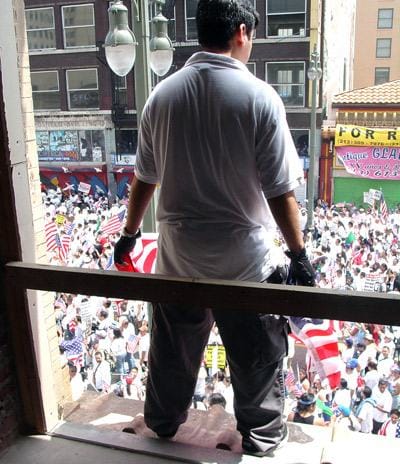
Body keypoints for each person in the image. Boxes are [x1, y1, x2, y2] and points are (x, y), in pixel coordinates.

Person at [113, 0, 314, 456]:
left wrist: (129, 234)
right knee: (257, 367)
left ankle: (161, 428)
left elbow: (144, 178)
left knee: (171, 362)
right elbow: (280, 191)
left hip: (178, 263)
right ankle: (261, 440)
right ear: (241, 32)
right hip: (246, 269)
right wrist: (299, 255)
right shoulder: (260, 97)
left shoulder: (161, 97)